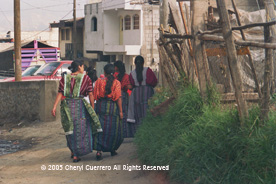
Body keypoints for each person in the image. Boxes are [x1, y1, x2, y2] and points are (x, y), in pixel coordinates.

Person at [51, 60, 102, 163]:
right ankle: (81, 151)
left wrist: (54, 106)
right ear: (80, 67)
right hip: (80, 106)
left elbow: (60, 93)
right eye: (83, 66)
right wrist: (92, 108)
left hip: (67, 107)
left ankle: (74, 153)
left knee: (70, 129)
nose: (83, 69)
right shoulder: (85, 78)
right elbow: (90, 94)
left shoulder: (65, 78)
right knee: (82, 129)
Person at [93, 64, 124, 160]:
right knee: (113, 129)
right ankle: (112, 149)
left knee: (100, 129)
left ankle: (99, 151)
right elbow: (118, 98)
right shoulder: (117, 83)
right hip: (112, 108)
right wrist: (121, 111)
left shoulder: (98, 82)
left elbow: (95, 96)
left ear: (104, 72)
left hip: (101, 107)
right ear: (114, 73)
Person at [127, 55, 157, 137]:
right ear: (143, 63)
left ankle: (138, 133)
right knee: (147, 110)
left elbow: (132, 84)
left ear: (134, 63)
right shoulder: (148, 71)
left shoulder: (132, 73)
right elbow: (154, 81)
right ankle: (148, 131)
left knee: (137, 112)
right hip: (147, 92)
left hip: (136, 93)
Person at [114, 60, 132, 138]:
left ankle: (116, 133)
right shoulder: (126, 76)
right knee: (124, 114)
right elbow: (129, 87)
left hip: (115, 96)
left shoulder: (114, 76)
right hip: (124, 96)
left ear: (116, 67)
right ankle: (125, 133)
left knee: (116, 113)